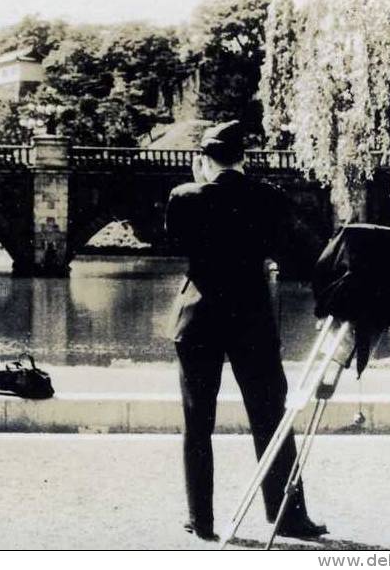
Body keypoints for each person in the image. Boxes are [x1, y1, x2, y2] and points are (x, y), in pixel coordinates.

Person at [164, 120, 328, 542]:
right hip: (251, 318)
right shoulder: (269, 198)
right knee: (271, 417)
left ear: (203, 160)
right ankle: (288, 515)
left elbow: (176, 243)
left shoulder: (184, 197)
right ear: (243, 158)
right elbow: (289, 247)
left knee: (197, 421)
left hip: (198, 318)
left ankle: (201, 520)